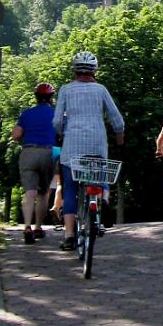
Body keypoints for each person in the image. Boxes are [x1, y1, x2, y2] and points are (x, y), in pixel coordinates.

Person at [53, 51, 125, 251]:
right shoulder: (101, 90)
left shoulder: (66, 90)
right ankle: (103, 201)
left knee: (69, 190)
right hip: (97, 143)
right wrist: (119, 137)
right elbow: (116, 118)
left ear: (74, 70)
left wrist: (62, 132)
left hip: (72, 146)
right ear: (95, 70)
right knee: (100, 174)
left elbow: (57, 121)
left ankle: (69, 236)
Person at [12, 82, 58, 244]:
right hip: (49, 152)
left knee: (29, 192)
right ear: (51, 97)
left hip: (28, 151)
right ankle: (39, 227)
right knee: (43, 193)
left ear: (36, 97)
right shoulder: (57, 114)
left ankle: (26, 227)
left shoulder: (27, 113)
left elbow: (16, 134)